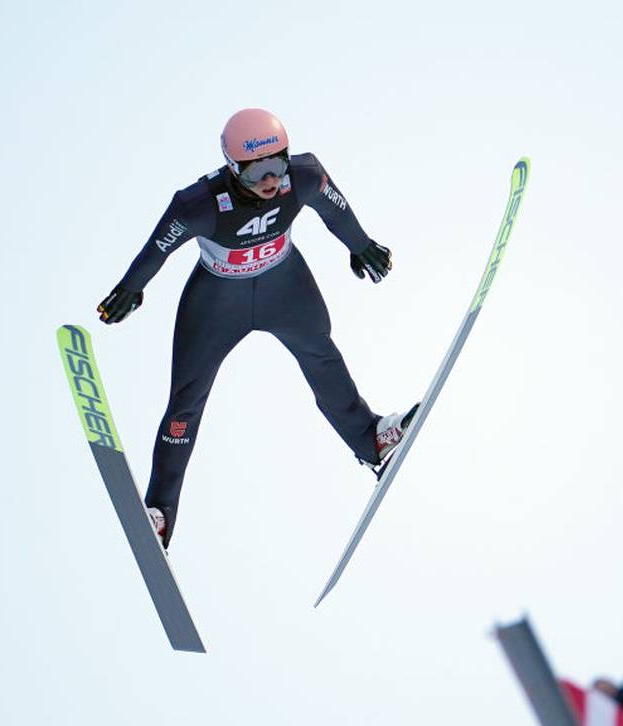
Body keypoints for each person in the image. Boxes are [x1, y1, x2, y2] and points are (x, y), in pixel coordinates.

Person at [96, 108, 417, 547]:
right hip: (216, 302)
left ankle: (371, 439)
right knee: (186, 401)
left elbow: (334, 210)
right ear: (231, 169)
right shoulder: (197, 204)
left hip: (285, 287)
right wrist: (131, 289)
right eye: (257, 172)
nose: (271, 180)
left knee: (321, 354)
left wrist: (361, 247)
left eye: (277, 164)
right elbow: (157, 250)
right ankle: (161, 512)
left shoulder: (302, 176)